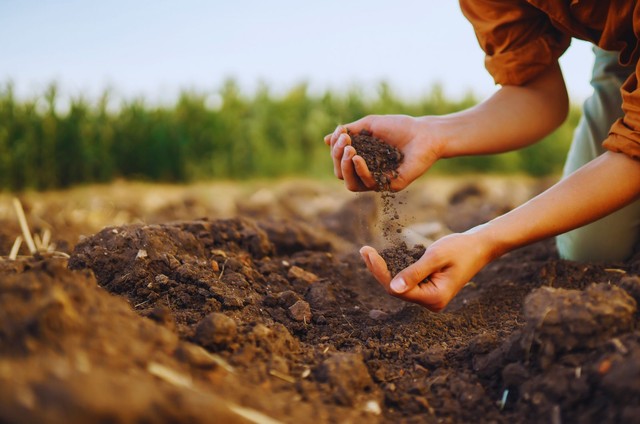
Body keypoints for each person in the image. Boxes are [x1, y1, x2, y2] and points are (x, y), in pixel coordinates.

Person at [324, 1, 640, 312]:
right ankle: (616, 70)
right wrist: (432, 134)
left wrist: (486, 241)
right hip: (626, 49)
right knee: (593, 249)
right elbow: (538, 94)